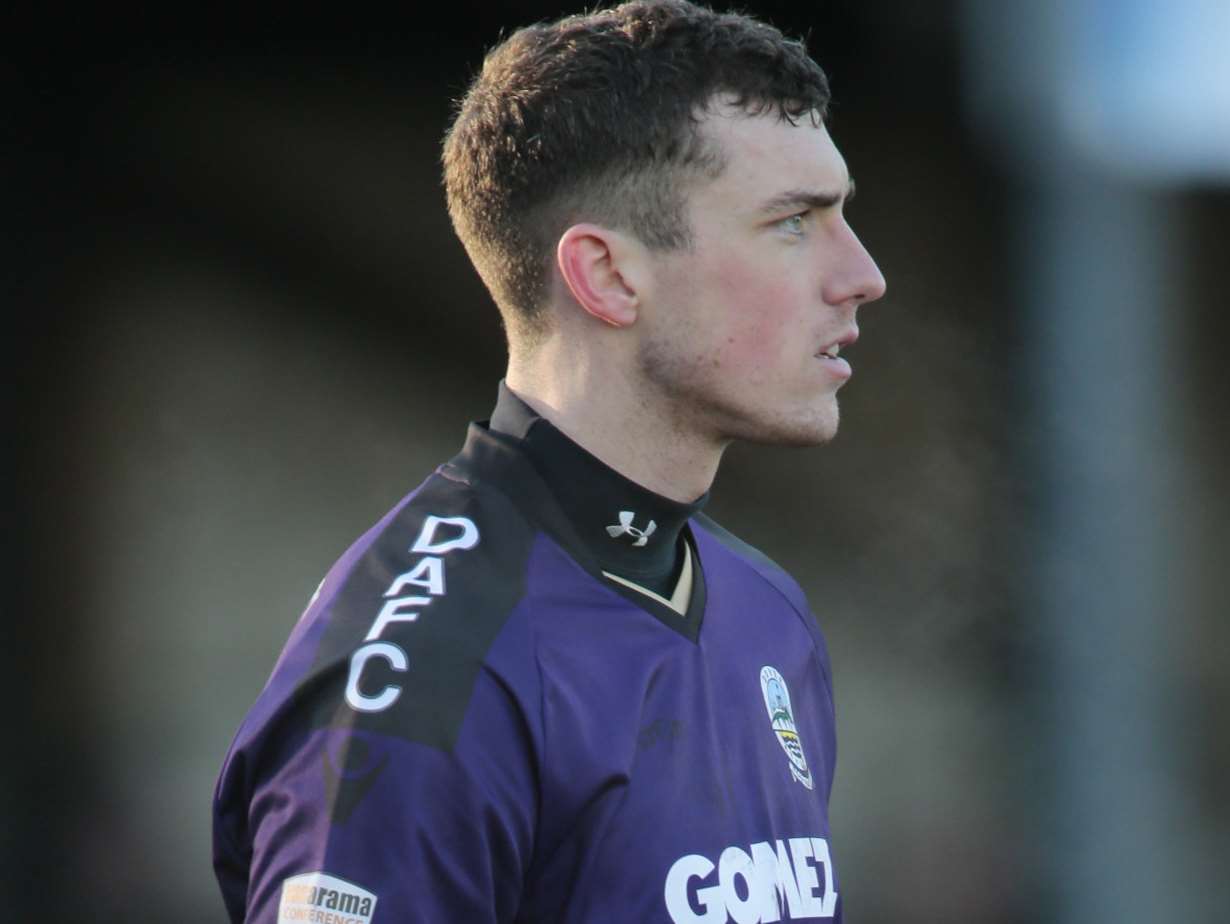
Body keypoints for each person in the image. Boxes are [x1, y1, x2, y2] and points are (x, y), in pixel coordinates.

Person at [211, 1, 886, 921]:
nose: (860, 275)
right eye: (793, 222)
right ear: (607, 276)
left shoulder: (765, 614)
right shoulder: (424, 677)